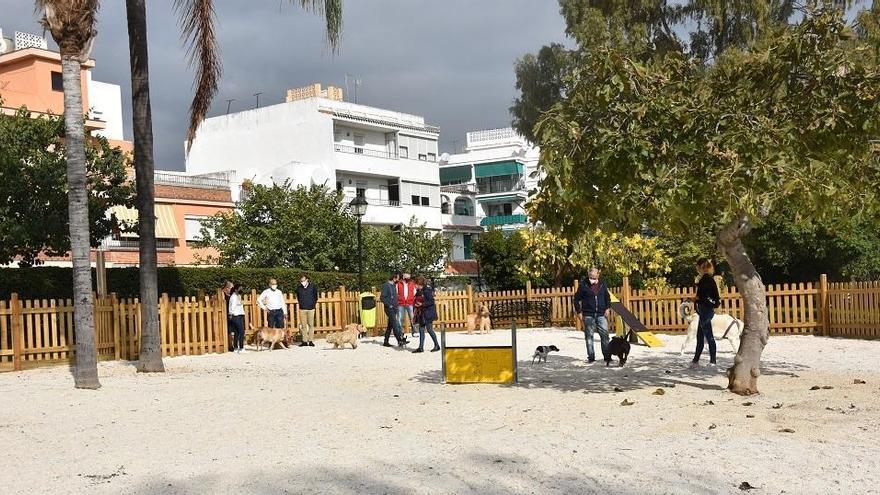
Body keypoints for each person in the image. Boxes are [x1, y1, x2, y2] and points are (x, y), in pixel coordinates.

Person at [573, 267, 612, 363]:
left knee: (605, 335)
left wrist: (608, 307)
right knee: (589, 336)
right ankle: (591, 357)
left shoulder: (603, 284)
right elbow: (576, 299)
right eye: (591, 277)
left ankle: (607, 357)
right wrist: (579, 312)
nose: (593, 279)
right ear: (588, 275)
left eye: (594, 277)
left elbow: (607, 297)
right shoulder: (583, 285)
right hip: (588, 314)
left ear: (598, 275)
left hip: (601, 314)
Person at [691, 258, 721, 368]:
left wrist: (696, 300)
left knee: (709, 336)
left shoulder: (706, 279)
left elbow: (704, 296)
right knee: (700, 336)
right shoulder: (706, 279)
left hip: (706, 310)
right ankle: (695, 361)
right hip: (704, 310)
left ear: (700, 267)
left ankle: (713, 361)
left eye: (697, 267)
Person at [412, 276, 440, 353]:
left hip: (428, 313)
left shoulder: (427, 290)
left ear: (418, 283)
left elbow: (431, 302)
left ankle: (437, 345)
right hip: (422, 313)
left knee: (430, 330)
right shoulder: (419, 291)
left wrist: (422, 304)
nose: (414, 285)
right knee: (421, 329)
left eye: (415, 284)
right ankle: (420, 347)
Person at [380, 273, 407, 347]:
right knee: (395, 324)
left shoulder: (393, 285)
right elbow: (382, 297)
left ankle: (386, 341)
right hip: (389, 308)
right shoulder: (386, 286)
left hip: (395, 308)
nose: (398, 279)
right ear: (394, 278)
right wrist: (389, 305)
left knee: (390, 325)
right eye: (397, 278)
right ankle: (400, 340)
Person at [295, 274, 318, 347]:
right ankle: (304, 341)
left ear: (307, 280)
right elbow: (298, 297)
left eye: (304, 280)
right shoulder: (299, 288)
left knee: (311, 325)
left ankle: (310, 341)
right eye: (301, 281)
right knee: (303, 326)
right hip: (302, 309)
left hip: (311, 308)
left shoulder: (313, 287)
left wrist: (312, 304)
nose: (302, 282)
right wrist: (301, 304)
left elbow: (315, 297)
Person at [397, 272, 417, 338]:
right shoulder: (398, 284)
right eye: (407, 277)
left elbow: (415, 293)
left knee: (412, 318)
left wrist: (411, 299)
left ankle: (414, 332)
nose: (408, 278)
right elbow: (396, 293)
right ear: (403, 277)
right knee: (400, 319)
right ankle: (400, 333)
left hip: (409, 303)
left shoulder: (412, 284)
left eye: (409, 277)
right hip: (401, 303)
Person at [228, 284, 246, 353]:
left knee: (236, 332)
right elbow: (232, 307)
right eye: (240, 288)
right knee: (241, 332)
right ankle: (241, 348)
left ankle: (235, 348)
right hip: (236, 315)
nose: (241, 290)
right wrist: (231, 314)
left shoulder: (237, 296)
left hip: (237, 315)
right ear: (236, 289)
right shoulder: (234, 297)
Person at [222, 280, 234, 351]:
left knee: (230, 330)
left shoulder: (230, 295)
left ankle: (231, 345)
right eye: (231, 288)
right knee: (228, 330)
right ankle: (230, 345)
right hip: (224, 315)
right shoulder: (222, 294)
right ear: (227, 288)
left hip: (229, 314)